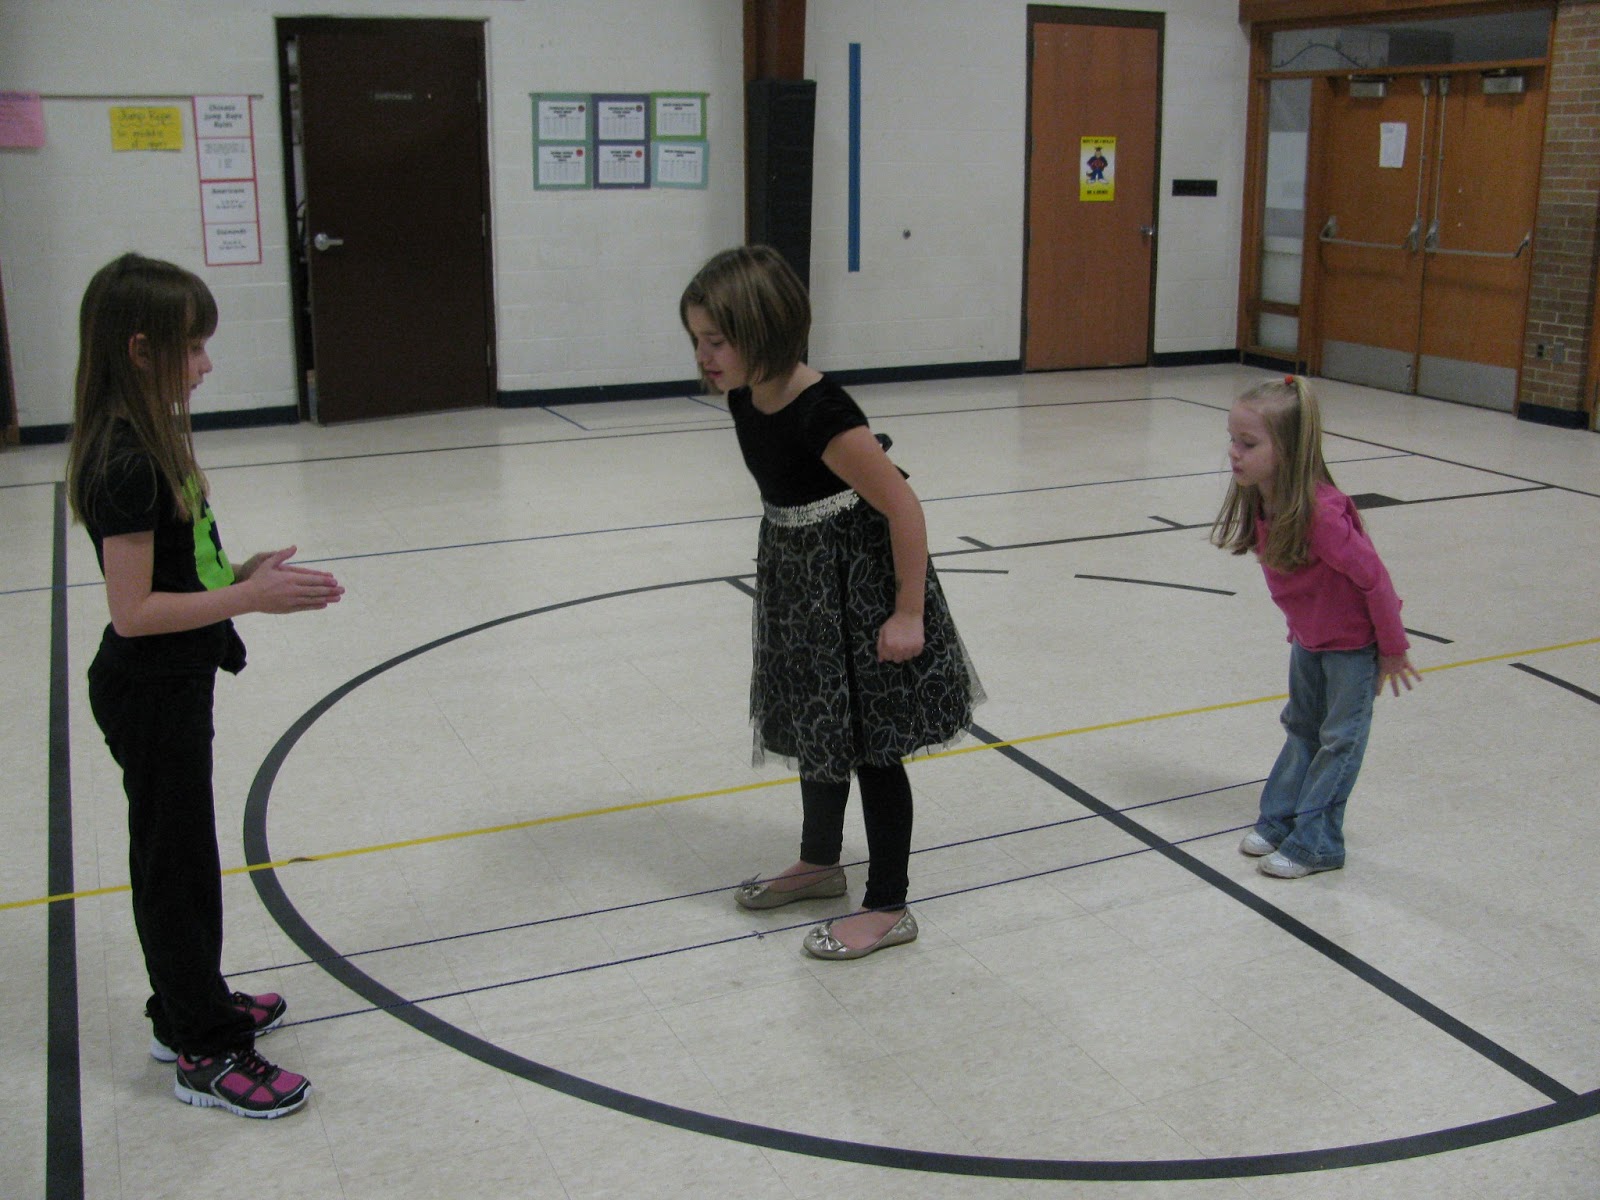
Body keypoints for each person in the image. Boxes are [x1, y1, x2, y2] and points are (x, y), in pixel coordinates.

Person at [66, 253, 343, 1117]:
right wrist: (252, 600)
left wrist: (241, 570)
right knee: (175, 865)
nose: (207, 365)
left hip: (175, 684)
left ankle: (189, 1005)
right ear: (142, 350)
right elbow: (134, 612)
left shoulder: (153, 441)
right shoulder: (124, 460)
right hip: (148, 688)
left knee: (181, 856)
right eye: (193, 349)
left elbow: (185, 568)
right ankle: (202, 1048)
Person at [679, 245, 984, 959]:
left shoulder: (825, 412)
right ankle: (820, 862)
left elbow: (903, 507)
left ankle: (889, 904)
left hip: (863, 587)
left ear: (762, 329)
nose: (704, 356)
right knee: (821, 722)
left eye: (716, 340)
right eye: (696, 340)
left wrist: (907, 613)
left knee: (873, 744)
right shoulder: (743, 396)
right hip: (801, 583)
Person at [1212, 375, 1419, 878]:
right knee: (1301, 727)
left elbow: (1376, 583)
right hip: (1309, 639)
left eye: (1249, 443)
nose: (1234, 453)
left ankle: (1318, 843)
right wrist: (1301, 628)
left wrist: (1391, 650)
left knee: (1338, 740)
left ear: (1287, 449)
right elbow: (1300, 584)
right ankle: (1280, 819)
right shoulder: (1260, 499)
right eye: (1232, 440)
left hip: (1353, 646)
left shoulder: (1322, 518)